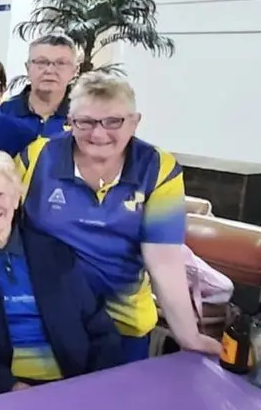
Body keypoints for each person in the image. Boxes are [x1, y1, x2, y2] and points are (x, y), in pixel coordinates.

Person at [13, 73, 219, 361]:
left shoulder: (158, 168)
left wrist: (188, 336)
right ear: (70, 121)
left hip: (123, 320)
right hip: (48, 317)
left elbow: (163, 258)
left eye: (113, 121)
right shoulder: (38, 157)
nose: (98, 134)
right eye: (85, 122)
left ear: (135, 122)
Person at [0, 151, 123, 397]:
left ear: (16, 198)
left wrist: (100, 379)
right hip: (3, 392)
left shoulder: (54, 251)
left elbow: (96, 322)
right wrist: (7, 386)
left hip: (76, 380)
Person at [0, 33, 77, 137]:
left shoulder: (84, 117)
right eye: (42, 62)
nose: (49, 70)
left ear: (74, 71)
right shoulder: (3, 113)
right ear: (28, 68)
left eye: (60, 63)